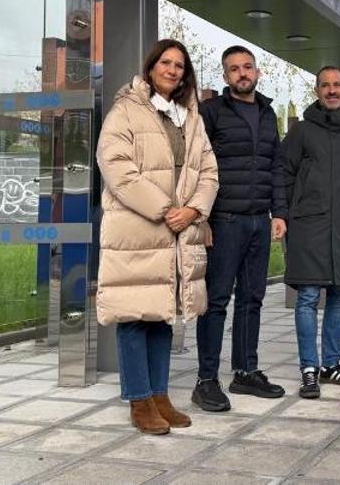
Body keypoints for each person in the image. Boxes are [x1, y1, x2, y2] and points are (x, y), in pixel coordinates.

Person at [95, 39, 219, 434]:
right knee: (134, 314)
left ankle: (160, 395)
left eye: (180, 66)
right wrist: (167, 210)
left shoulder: (191, 117)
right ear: (150, 67)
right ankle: (139, 399)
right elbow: (116, 167)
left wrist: (194, 211)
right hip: (138, 227)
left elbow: (209, 172)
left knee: (163, 314)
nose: (172, 70)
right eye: (165, 63)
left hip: (178, 230)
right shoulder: (126, 110)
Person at [191, 46, 287, 411]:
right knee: (216, 301)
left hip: (259, 221)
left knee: (252, 299)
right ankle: (206, 379)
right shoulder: (211, 112)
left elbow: (274, 165)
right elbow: (198, 167)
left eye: (247, 67)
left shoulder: (267, 112)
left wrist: (279, 212)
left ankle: (245, 371)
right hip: (224, 220)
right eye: (234, 69)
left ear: (257, 72)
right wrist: (203, 217)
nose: (242, 73)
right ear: (225, 75)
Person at [276, 66, 340, 399]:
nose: (332, 90)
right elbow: (284, 173)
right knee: (306, 298)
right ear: (317, 91)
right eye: (325, 85)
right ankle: (309, 368)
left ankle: (331, 364)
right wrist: (289, 211)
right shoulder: (301, 131)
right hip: (309, 225)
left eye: (337, 85)